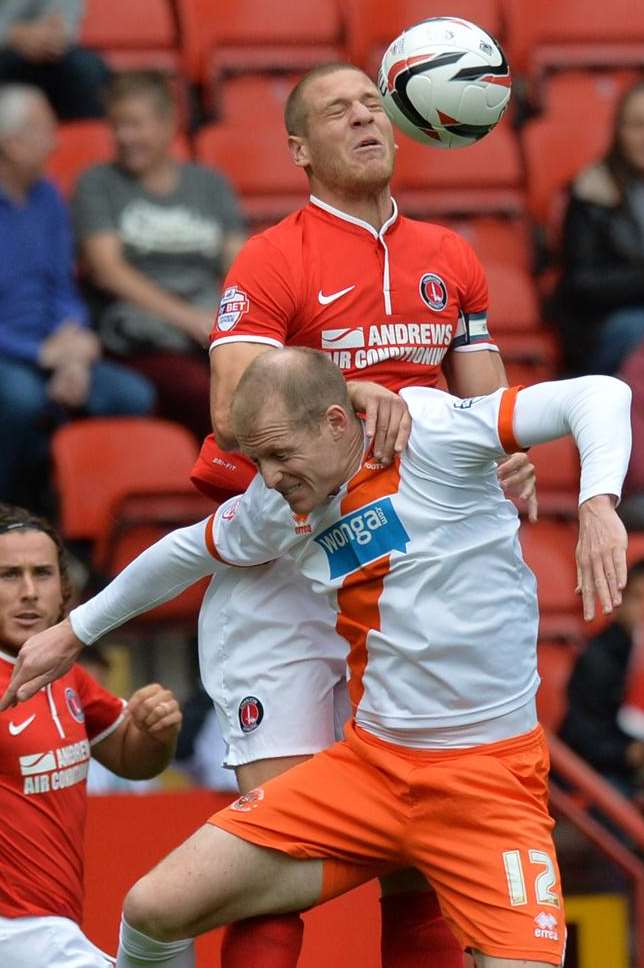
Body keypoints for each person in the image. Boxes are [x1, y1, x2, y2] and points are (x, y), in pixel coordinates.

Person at [2, 348, 631, 968]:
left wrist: (597, 502)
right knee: (151, 909)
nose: (269, 477)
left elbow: (600, 394)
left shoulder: (431, 431)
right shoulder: (282, 504)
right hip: (370, 771)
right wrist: (74, 631)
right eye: (258, 460)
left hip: (488, 782)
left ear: (336, 423)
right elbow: (187, 550)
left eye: (279, 455)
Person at [188, 62, 536, 968]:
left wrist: (512, 449)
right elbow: (232, 402)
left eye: (372, 103)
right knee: (274, 844)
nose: (362, 116)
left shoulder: (450, 257)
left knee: (417, 853)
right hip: (286, 570)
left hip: (399, 574)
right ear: (300, 150)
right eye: (336, 110)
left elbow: (482, 392)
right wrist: (349, 388)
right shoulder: (273, 256)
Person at [0, 502, 182, 968]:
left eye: (41, 574)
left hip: (53, 926)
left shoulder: (67, 676)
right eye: (8, 575)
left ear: (64, 591)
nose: (27, 592)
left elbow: (131, 759)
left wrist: (154, 732)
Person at [0, 83, 156, 506]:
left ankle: (87, 529)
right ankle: (11, 515)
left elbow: (64, 287)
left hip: (53, 350)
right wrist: (38, 352)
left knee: (132, 395)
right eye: (45, 133)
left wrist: (74, 345)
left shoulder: (47, 196)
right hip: (12, 352)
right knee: (20, 399)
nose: (55, 144)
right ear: (12, 145)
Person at [72, 70, 246, 442]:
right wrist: (189, 320)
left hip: (208, 330)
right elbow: (108, 271)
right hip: (138, 337)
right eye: (116, 125)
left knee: (273, 380)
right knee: (206, 394)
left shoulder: (209, 184)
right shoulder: (97, 184)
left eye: (135, 125)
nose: (124, 137)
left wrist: (224, 322)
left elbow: (239, 266)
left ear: (170, 125)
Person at [552, 78, 644, 376]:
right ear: (619, 131)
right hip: (601, 328)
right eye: (637, 125)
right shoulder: (593, 192)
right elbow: (580, 284)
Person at [559, 559, 644, 803]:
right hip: (600, 771)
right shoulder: (599, 656)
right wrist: (629, 753)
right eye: (638, 598)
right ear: (620, 602)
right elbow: (582, 735)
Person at [0, 1, 109, 120]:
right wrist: (12, 35)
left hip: (43, 52)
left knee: (87, 68)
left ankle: (85, 135)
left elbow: (63, 25)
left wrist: (47, 38)